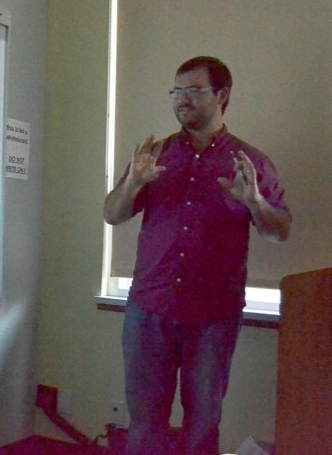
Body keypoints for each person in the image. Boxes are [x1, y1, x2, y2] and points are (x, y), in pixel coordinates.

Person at [103, 56, 291, 454]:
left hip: (213, 315)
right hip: (150, 309)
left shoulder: (250, 163)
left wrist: (255, 201)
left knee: (203, 423)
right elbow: (112, 214)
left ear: (221, 96)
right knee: (144, 423)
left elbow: (280, 232)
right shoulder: (156, 156)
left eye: (193, 90)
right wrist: (133, 183)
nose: (181, 99)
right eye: (176, 91)